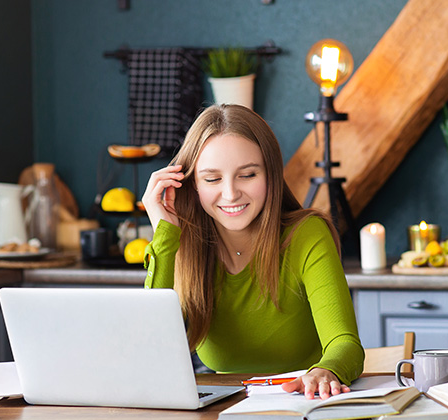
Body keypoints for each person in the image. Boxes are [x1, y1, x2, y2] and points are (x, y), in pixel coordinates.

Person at [141, 104, 364, 400]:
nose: (231, 193)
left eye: (247, 175)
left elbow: (345, 342)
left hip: (305, 405)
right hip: (222, 409)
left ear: (270, 175)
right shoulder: (183, 243)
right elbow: (149, 352)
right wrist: (164, 234)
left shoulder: (306, 235)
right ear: (191, 184)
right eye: (212, 179)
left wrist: (328, 371)